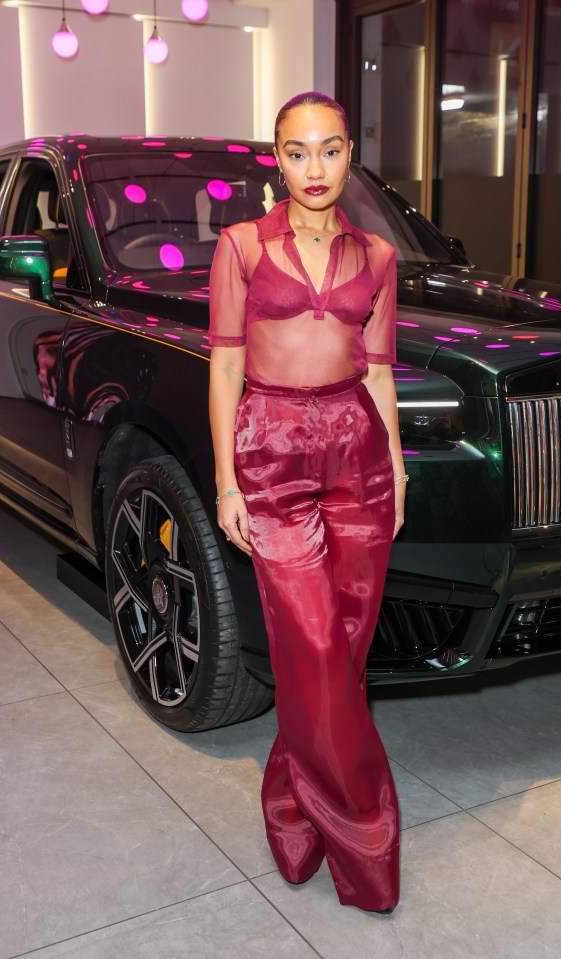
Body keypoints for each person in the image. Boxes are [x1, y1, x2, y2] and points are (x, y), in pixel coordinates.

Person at [208, 91, 408, 913]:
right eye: (297, 152)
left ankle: (292, 812)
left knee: (341, 656)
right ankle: (365, 835)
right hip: (272, 448)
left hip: (359, 451)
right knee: (316, 647)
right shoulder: (242, 247)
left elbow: (382, 369)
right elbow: (223, 365)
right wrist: (226, 478)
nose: (315, 167)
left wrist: (397, 468)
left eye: (330, 150)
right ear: (276, 158)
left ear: (350, 153)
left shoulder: (380, 256)